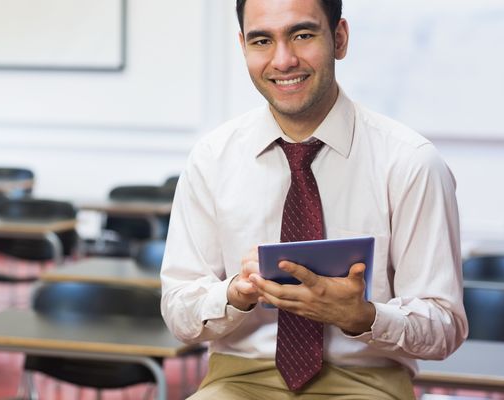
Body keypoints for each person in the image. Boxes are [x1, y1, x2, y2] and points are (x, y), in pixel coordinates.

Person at [160, 0, 468, 398]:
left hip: (366, 382)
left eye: (302, 35)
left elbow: (445, 327)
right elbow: (179, 313)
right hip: (239, 380)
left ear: (339, 38)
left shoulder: (411, 163)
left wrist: (363, 317)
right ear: (243, 47)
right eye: (262, 41)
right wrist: (234, 293)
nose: (283, 60)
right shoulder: (211, 159)